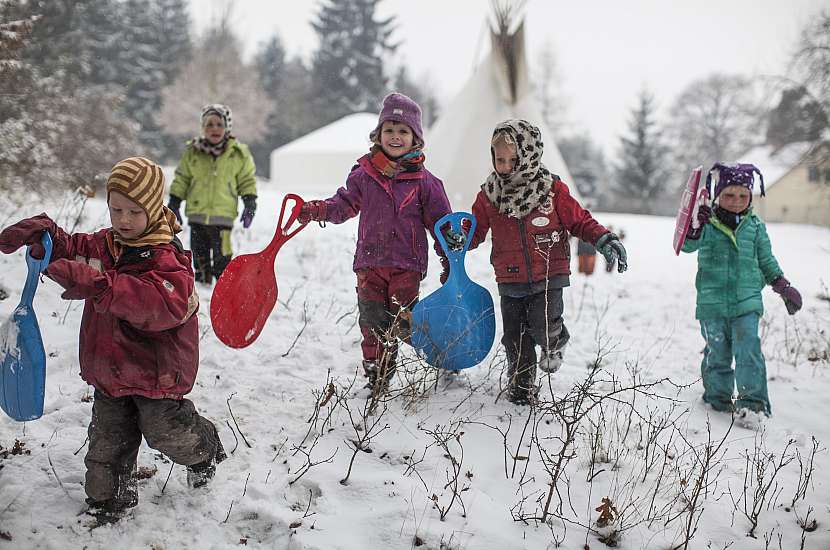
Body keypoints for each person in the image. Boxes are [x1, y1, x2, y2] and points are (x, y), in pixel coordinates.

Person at [0, 157, 225, 524]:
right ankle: (109, 500)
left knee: (165, 432)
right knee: (108, 439)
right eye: (116, 208)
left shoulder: (167, 257)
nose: (123, 219)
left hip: (156, 372)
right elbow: (75, 248)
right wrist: (49, 238)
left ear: (153, 209)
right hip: (113, 369)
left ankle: (205, 449)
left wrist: (102, 285)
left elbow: (160, 303)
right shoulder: (108, 244)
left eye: (134, 211)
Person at [458, 120, 627, 405]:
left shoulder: (551, 191)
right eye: (500, 160)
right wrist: (458, 239)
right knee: (516, 339)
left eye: (513, 159)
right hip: (510, 279)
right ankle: (521, 391)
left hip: (549, 273)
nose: (506, 166)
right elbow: (474, 231)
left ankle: (555, 341)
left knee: (543, 324)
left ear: (530, 155)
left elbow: (579, 221)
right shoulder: (490, 196)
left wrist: (602, 239)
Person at [297, 92, 453, 394]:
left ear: (416, 139)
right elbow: (343, 206)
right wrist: (317, 210)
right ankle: (377, 376)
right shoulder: (364, 176)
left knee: (402, 324)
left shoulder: (425, 182)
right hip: (369, 265)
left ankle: (444, 354)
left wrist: (450, 260)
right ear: (378, 134)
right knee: (371, 323)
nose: (395, 136)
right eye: (389, 130)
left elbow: (441, 223)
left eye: (403, 131)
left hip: (406, 266)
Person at [682, 162, 802, 425]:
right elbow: (686, 246)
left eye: (743, 196)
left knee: (748, 348)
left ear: (750, 196)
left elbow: (766, 260)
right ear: (717, 195)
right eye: (729, 195)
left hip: (746, 300)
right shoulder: (707, 222)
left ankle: (753, 404)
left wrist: (782, 286)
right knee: (718, 351)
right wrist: (695, 226)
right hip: (712, 301)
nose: (736, 202)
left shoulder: (755, 227)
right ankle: (717, 398)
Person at [168, 103, 257, 284]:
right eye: (209, 124)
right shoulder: (193, 151)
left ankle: (223, 288)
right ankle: (202, 286)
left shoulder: (238, 154)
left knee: (222, 259)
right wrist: (174, 202)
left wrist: (250, 202)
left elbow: (246, 180)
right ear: (202, 128)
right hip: (197, 215)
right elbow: (182, 178)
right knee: (199, 258)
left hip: (223, 218)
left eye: (219, 124)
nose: (214, 128)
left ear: (227, 127)